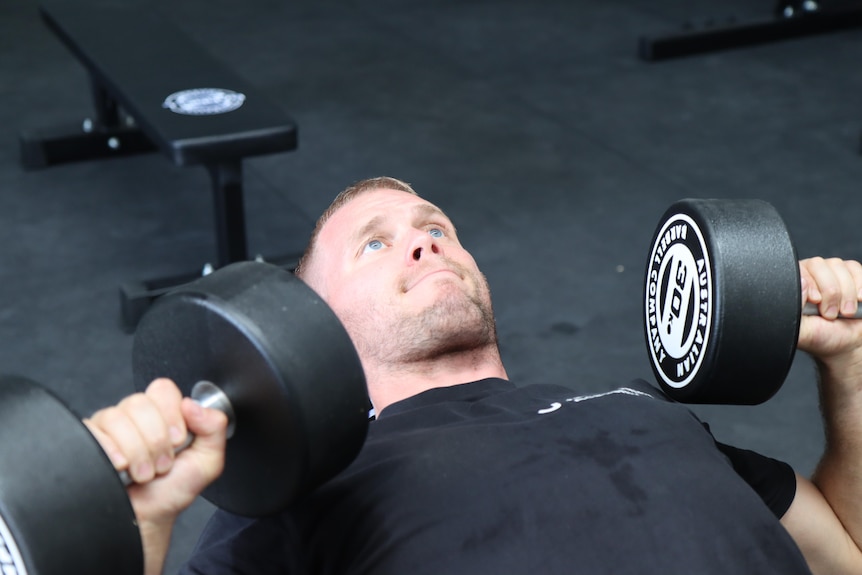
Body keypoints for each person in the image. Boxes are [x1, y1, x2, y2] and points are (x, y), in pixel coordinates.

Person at [85, 176, 862, 575]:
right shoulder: (310, 485)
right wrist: (143, 528)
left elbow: (844, 548)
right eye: (374, 245)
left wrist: (850, 362)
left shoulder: (646, 410)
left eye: (434, 227)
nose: (422, 242)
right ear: (310, 317)